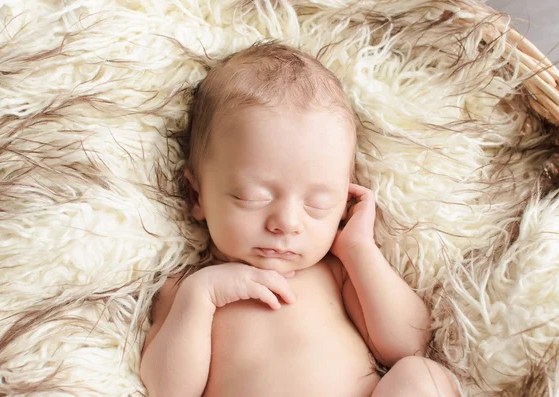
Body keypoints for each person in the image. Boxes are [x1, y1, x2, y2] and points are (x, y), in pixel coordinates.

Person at [140, 42, 460, 397]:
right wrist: (200, 297)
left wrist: (359, 249)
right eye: (253, 197)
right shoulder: (189, 287)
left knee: (421, 376)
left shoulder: (333, 272)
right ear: (197, 196)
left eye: (318, 203)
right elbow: (167, 390)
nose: (287, 223)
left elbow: (408, 344)